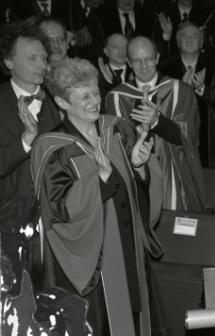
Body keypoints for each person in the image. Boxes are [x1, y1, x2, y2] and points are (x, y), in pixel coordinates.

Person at [31, 58, 163, 336]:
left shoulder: (116, 129)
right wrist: (98, 180)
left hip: (129, 245)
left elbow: (138, 186)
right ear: (62, 102)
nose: (94, 101)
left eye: (96, 93)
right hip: (96, 262)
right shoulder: (53, 148)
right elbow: (57, 210)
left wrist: (139, 165)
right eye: (84, 96)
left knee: (137, 314)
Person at [106, 35, 206, 211]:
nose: (144, 65)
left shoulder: (179, 90)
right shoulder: (116, 97)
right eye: (137, 60)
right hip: (135, 177)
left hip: (173, 175)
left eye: (149, 59)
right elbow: (114, 148)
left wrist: (157, 121)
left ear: (157, 58)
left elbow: (188, 138)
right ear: (128, 62)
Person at [0, 21, 61, 294]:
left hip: (51, 223)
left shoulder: (55, 103)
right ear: (8, 61)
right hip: (8, 224)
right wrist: (26, 139)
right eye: (32, 58)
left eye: (44, 59)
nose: (41, 65)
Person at [159, 22, 215, 168]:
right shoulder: (165, 68)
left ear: (202, 41)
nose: (189, 40)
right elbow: (159, 105)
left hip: (208, 139)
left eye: (195, 36)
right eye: (184, 36)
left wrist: (202, 88)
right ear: (177, 41)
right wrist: (181, 90)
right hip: (175, 135)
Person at [97, 33, 133, 99]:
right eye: (115, 47)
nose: (121, 51)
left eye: (125, 47)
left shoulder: (137, 72)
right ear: (106, 51)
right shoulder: (97, 75)